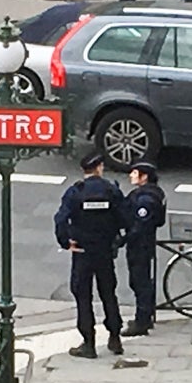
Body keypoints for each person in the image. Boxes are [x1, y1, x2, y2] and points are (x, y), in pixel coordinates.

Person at [54, 152, 128, 359]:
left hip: (83, 251)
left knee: (83, 296)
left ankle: (89, 342)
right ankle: (115, 337)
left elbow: (60, 219)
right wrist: (117, 239)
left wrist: (66, 242)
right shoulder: (111, 190)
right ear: (99, 168)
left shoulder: (75, 192)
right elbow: (125, 219)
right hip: (104, 251)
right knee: (108, 293)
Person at [121, 162, 167, 337]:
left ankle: (142, 321)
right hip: (144, 242)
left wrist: (124, 238)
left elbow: (140, 225)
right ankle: (144, 316)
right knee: (141, 280)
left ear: (144, 176)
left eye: (134, 173)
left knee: (140, 281)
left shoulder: (145, 199)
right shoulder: (153, 193)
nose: (131, 176)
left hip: (140, 244)